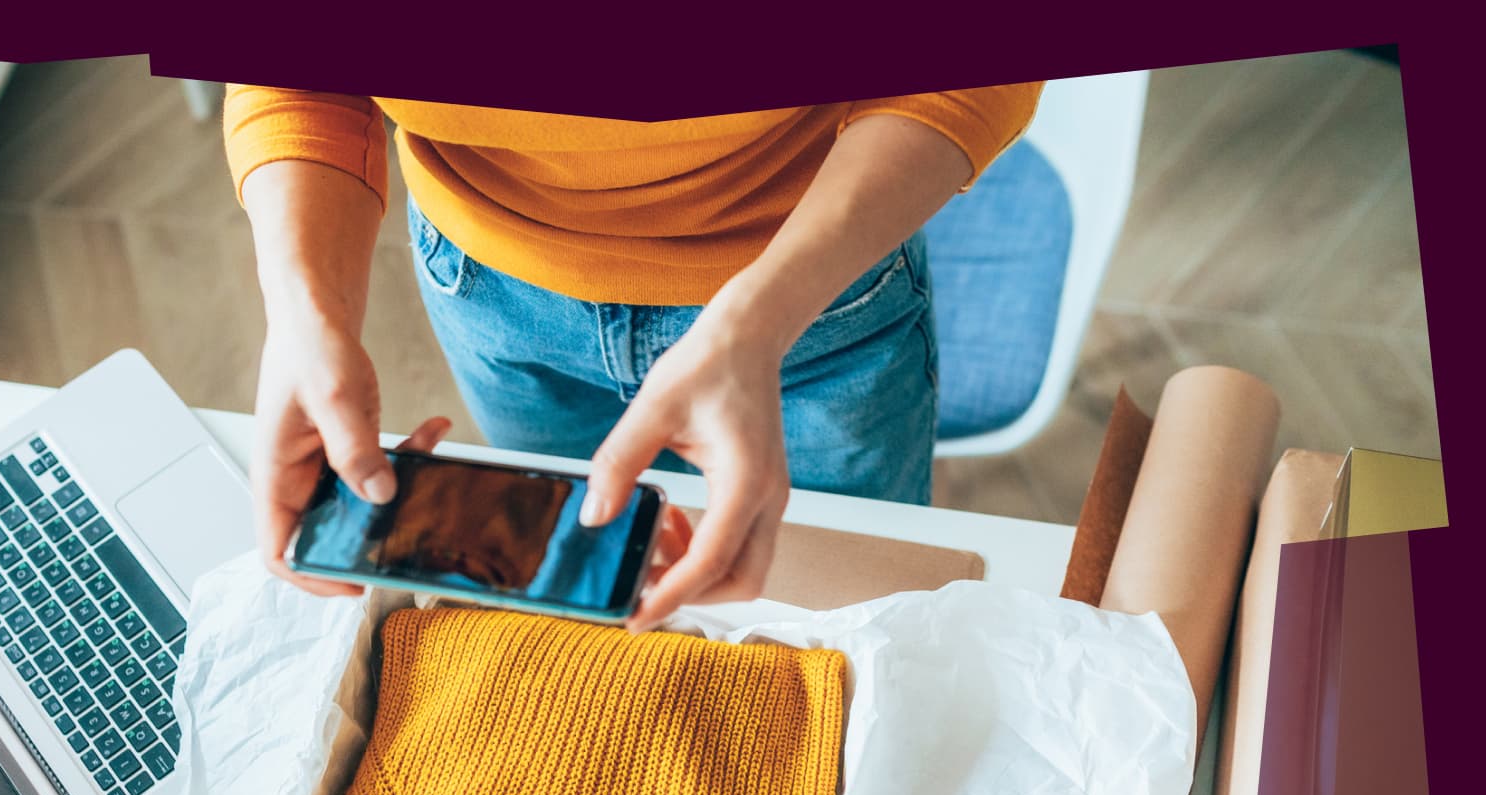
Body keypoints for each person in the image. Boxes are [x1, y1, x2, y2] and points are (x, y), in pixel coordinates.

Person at [224, 84, 1042, 630]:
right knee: (580, 582)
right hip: (490, 289)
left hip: (808, 285)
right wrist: (303, 310)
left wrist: (759, 321)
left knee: (856, 621)